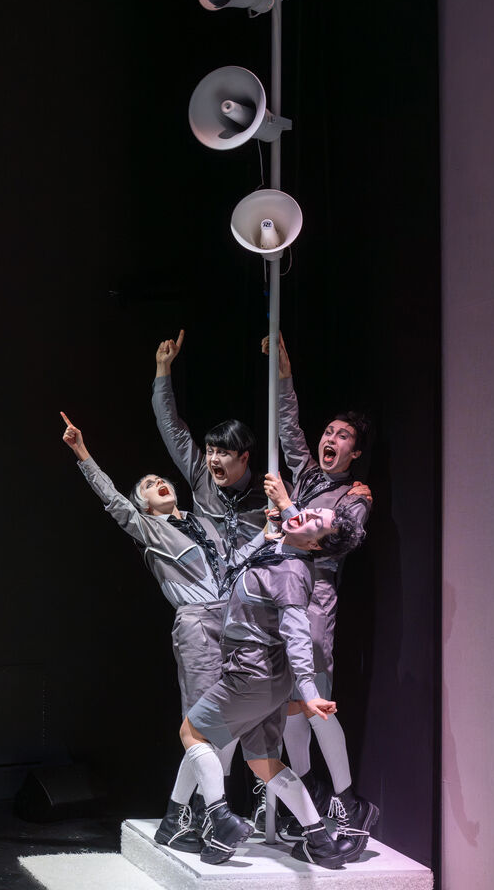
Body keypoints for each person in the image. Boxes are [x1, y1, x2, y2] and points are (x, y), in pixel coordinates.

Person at [58, 411, 240, 852]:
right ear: (143, 506)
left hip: (234, 623)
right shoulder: (149, 528)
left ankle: (178, 815)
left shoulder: (204, 522)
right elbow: (113, 502)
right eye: (147, 485)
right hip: (197, 624)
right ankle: (209, 814)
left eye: (160, 478)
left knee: (228, 725)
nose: (157, 481)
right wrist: (82, 452)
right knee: (203, 726)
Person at [156, 502, 371, 868]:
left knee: (193, 733)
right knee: (263, 761)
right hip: (266, 676)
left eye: (316, 521)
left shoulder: (290, 572)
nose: (307, 514)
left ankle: (220, 818)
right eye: (313, 511)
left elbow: (298, 634)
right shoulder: (283, 549)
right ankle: (320, 841)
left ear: (315, 544)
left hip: (251, 672)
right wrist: (272, 526)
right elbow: (262, 547)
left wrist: (309, 691)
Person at [258, 334, 379, 844]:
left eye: (342, 435)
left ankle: (350, 802)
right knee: (290, 704)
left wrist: (288, 508)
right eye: (328, 431)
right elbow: (288, 426)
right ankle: (307, 796)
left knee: (316, 702)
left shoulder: (355, 497)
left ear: (355, 451)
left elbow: (339, 539)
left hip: (315, 599)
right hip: (284, 592)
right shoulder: (308, 473)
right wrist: (284, 372)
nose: (331, 438)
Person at [153, 330, 269, 551]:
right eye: (210, 451)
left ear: (244, 457)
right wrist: (163, 367)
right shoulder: (201, 475)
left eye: (223, 453)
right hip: (207, 570)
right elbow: (170, 426)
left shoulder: (268, 490)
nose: (213, 459)